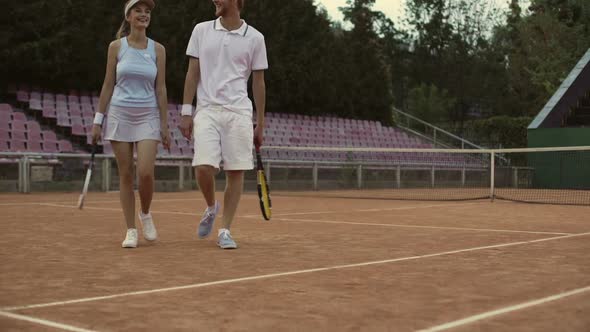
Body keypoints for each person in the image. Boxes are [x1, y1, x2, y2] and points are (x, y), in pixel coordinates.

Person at [179, 0, 268, 249]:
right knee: (203, 167)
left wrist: (259, 123)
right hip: (206, 109)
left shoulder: (255, 38)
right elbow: (192, 73)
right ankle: (210, 206)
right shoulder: (201, 30)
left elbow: (258, 83)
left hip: (239, 112)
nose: (214, 0)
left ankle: (225, 230)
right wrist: (187, 111)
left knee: (235, 172)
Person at [92, 0, 170, 248]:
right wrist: (97, 120)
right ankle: (130, 230)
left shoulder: (158, 50)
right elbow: (107, 84)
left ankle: (145, 213)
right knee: (126, 174)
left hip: (147, 115)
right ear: (128, 16)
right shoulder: (116, 47)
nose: (144, 14)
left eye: (147, 12)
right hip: (119, 114)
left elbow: (161, 88)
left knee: (145, 173)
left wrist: (165, 123)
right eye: (138, 10)